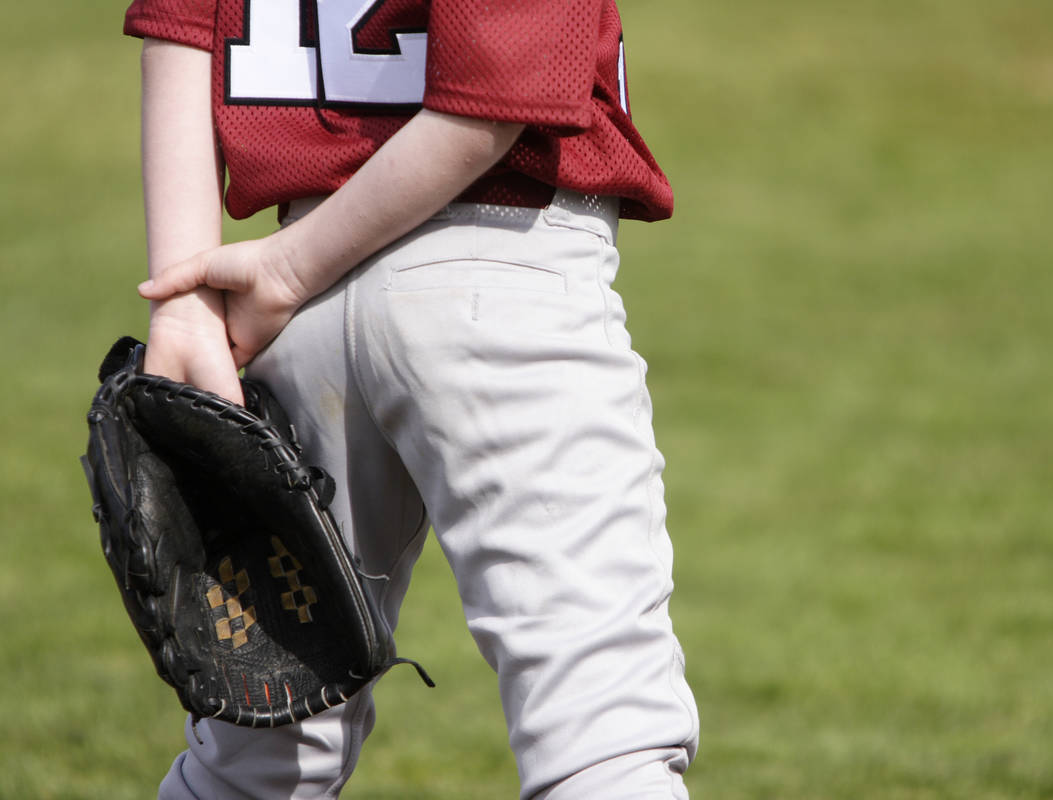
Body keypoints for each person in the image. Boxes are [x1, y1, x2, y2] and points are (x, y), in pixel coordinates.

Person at [124, 1, 700, 797]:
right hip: (501, 266)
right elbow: (496, 99)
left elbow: (179, 23)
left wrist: (183, 291)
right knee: (600, 739)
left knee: (257, 749)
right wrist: (287, 271)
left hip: (287, 310)